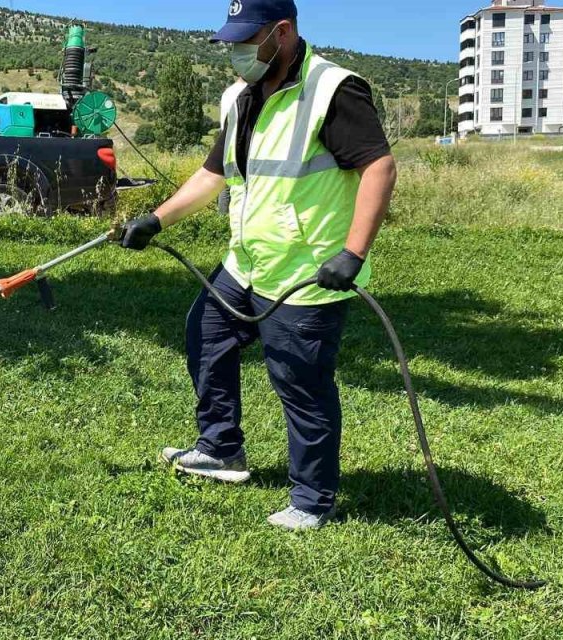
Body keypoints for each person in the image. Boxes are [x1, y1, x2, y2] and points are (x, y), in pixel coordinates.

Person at [118, 0, 398, 531]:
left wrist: (353, 253)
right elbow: (212, 176)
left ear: (283, 32)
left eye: (248, 40)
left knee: (299, 381)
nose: (238, 52)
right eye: (232, 41)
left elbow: (379, 168)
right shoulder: (240, 98)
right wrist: (156, 219)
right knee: (206, 334)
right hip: (245, 263)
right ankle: (221, 450)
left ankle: (314, 499)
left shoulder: (333, 90)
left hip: (307, 272)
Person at [217, 79, 247, 215]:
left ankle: (221, 220)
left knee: (225, 185)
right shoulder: (247, 90)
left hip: (227, 143)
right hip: (241, 144)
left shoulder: (228, 92)